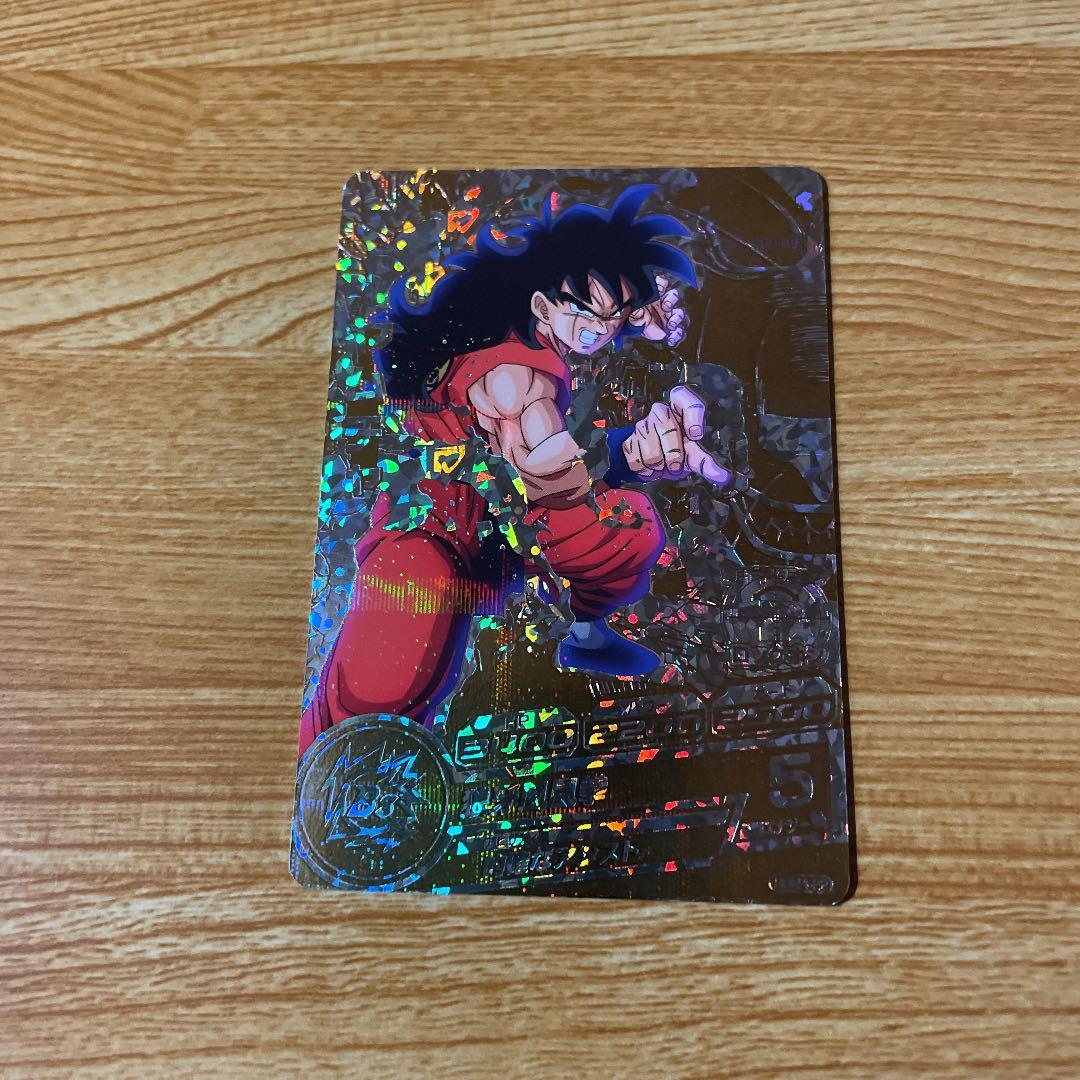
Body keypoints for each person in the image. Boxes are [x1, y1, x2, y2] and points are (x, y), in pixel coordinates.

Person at [300, 186, 738, 756]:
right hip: (428, 539)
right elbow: (551, 485)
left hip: (488, 535)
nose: (601, 328)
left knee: (624, 529)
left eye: (615, 316)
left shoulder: (540, 348)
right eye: (588, 312)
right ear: (542, 305)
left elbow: (545, 475)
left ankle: (584, 633)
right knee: (367, 708)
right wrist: (625, 464)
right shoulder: (518, 383)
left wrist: (629, 452)